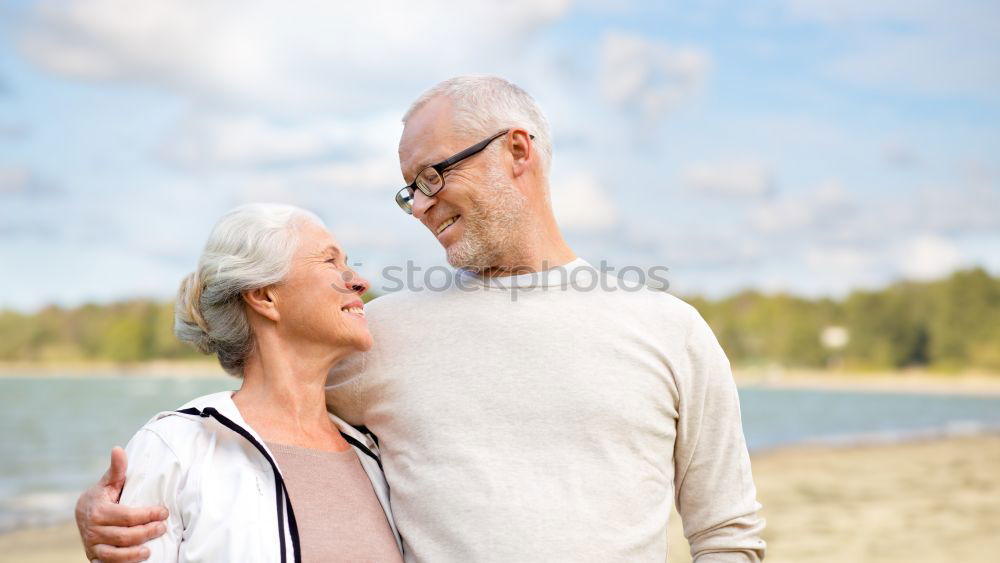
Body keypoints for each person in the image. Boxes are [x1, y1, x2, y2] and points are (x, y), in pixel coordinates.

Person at [77, 76, 766, 562]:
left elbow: (727, 534)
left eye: (434, 176)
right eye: (410, 191)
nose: (422, 206)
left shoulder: (670, 329)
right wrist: (112, 507)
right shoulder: (380, 334)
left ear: (517, 152)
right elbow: (257, 414)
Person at [76, 203, 403, 562]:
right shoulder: (177, 448)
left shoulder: (374, 454)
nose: (359, 280)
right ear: (264, 296)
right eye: (330, 262)